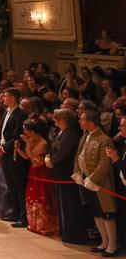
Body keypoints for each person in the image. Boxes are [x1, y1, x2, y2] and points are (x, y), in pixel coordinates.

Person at [75, 109, 117, 256]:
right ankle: (104, 242)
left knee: (107, 213)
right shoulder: (85, 135)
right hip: (86, 181)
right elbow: (78, 155)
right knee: (96, 212)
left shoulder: (104, 139)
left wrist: (92, 179)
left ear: (90, 122)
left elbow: (104, 164)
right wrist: (77, 173)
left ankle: (112, 245)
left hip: (101, 184)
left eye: (82, 119)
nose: (79, 121)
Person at [49, 109, 90, 245]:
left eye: (56, 118)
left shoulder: (69, 134)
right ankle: (65, 231)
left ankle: (73, 234)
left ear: (62, 120)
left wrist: (52, 161)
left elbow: (63, 153)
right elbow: (54, 147)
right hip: (59, 172)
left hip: (66, 173)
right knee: (63, 204)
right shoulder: (60, 132)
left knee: (70, 204)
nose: (54, 120)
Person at [17, 119, 57, 236]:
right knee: (31, 196)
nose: (23, 131)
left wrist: (28, 144)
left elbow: (31, 154)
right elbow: (26, 157)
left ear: (32, 131)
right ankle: (34, 224)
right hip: (33, 171)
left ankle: (43, 226)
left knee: (41, 197)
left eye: (25, 129)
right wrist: (18, 149)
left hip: (41, 173)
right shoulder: (31, 140)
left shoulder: (43, 143)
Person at [0, 88, 28, 227]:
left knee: (19, 184)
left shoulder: (20, 114)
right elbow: (3, 132)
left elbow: (16, 136)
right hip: (5, 153)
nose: (3, 98)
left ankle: (23, 216)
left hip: (15, 154)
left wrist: (4, 148)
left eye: (6, 96)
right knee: (10, 184)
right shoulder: (6, 112)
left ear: (13, 98)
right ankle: (14, 212)